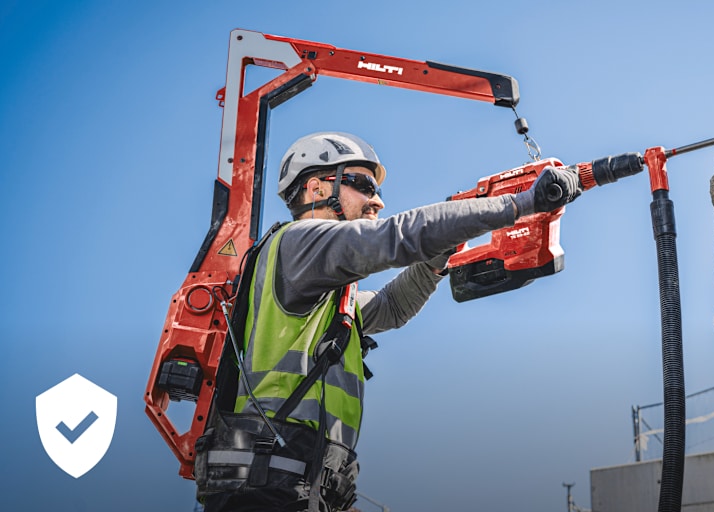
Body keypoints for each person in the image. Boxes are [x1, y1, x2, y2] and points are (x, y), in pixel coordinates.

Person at [196, 132, 582, 512]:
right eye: (362, 184)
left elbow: (392, 306)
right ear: (315, 188)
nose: (376, 200)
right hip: (271, 484)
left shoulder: (326, 294)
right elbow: (396, 236)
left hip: (300, 483)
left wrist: (439, 252)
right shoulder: (299, 242)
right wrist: (522, 202)